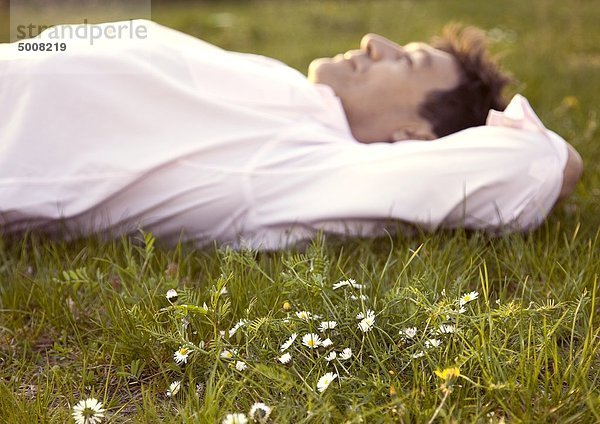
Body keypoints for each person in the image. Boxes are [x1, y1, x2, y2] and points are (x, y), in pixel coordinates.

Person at [0, 20, 583, 249]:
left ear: (414, 137)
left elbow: (543, 162)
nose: (373, 43)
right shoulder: (296, 99)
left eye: (403, 62)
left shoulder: (317, 168)